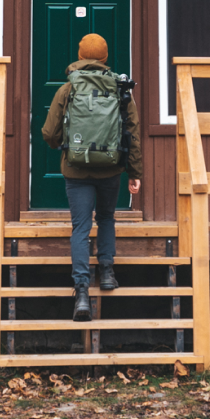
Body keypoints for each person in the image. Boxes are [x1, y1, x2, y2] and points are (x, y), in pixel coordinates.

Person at [40, 33, 142, 322]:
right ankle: (107, 273)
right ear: (105, 58)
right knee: (107, 218)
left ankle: (82, 291)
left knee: (81, 228)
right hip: (111, 169)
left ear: (80, 55)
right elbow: (131, 133)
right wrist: (134, 172)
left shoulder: (68, 88)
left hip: (77, 169)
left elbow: (49, 133)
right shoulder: (121, 89)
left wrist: (67, 144)